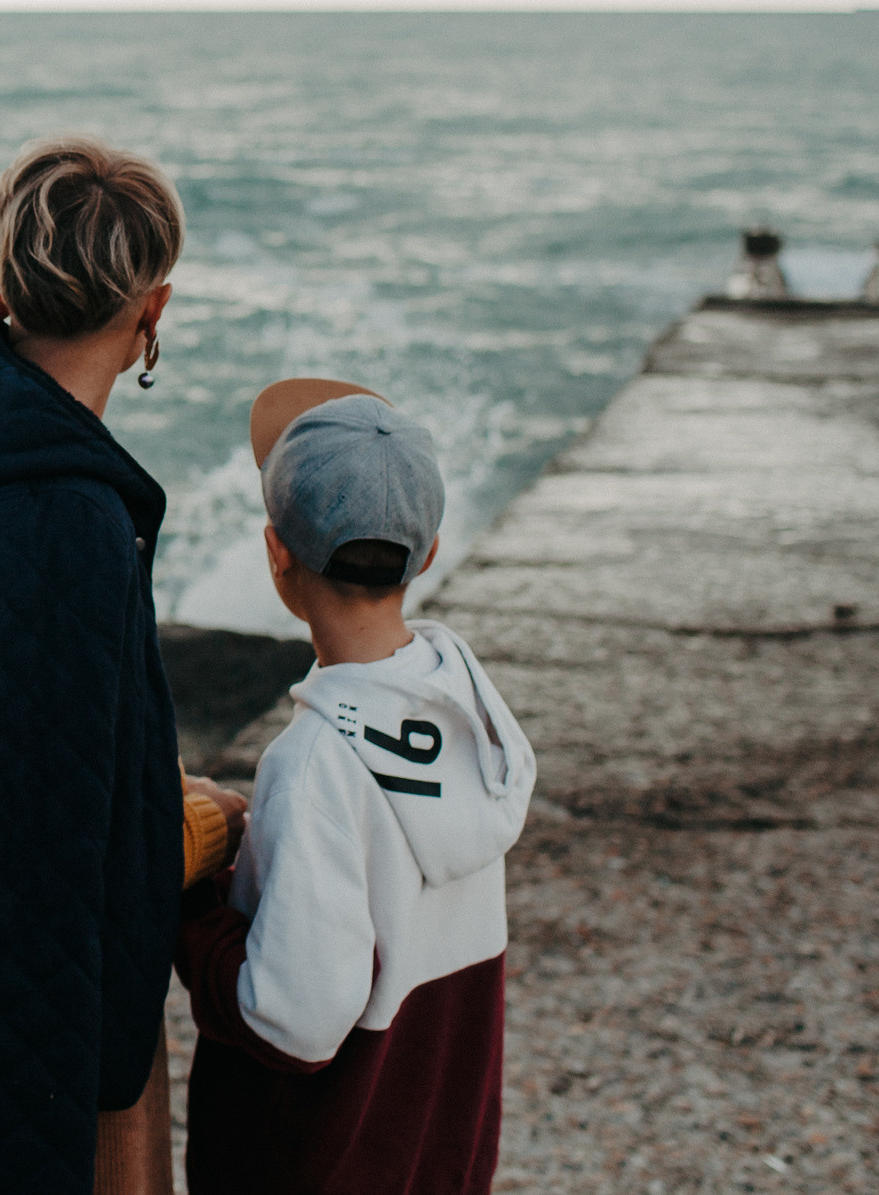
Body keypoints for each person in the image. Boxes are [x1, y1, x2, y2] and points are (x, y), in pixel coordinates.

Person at [0, 135, 250, 1195]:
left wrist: (155, 803)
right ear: (151, 310)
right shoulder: (53, 513)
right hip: (44, 1008)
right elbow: (26, 843)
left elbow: (8, 735)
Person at [174, 381, 536, 1195]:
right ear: (431, 552)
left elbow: (294, 1018)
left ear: (277, 555)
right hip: (434, 1155)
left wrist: (193, 909)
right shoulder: (475, 718)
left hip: (316, 1162)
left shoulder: (313, 764)